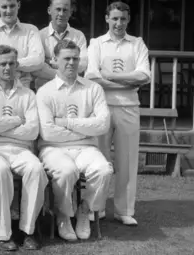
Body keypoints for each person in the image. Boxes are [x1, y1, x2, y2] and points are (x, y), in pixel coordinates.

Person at [37, 40, 112, 241]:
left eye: (75, 58)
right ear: (54, 61)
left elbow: (103, 125)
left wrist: (66, 122)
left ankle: (84, 210)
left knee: (104, 170)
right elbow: (48, 133)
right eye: (66, 58)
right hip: (53, 148)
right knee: (66, 171)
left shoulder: (93, 89)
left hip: (86, 148)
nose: (71, 63)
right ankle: (63, 214)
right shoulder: (45, 91)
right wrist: (86, 129)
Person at [0, 45, 47, 251]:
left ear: (17, 66)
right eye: (3, 64)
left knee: (36, 169)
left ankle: (28, 231)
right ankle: (2, 234)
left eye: (11, 63)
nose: (7, 68)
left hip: (21, 148)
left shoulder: (28, 94)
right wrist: (16, 120)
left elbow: (32, 131)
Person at [85, 1, 150, 226]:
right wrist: (128, 81)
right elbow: (92, 76)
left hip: (129, 108)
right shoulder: (96, 43)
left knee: (128, 160)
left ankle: (124, 210)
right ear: (107, 19)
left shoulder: (137, 44)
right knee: (99, 159)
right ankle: (97, 208)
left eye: (122, 19)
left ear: (128, 19)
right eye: (114, 18)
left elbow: (144, 76)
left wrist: (111, 78)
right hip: (101, 107)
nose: (118, 23)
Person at [33, 0, 88, 90]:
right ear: (49, 10)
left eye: (65, 10)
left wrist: (51, 63)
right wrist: (68, 68)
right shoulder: (39, 36)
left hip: (72, 90)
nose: (61, 14)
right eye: (58, 9)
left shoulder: (78, 36)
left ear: (71, 12)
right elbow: (38, 67)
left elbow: (83, 64)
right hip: (45, 90)